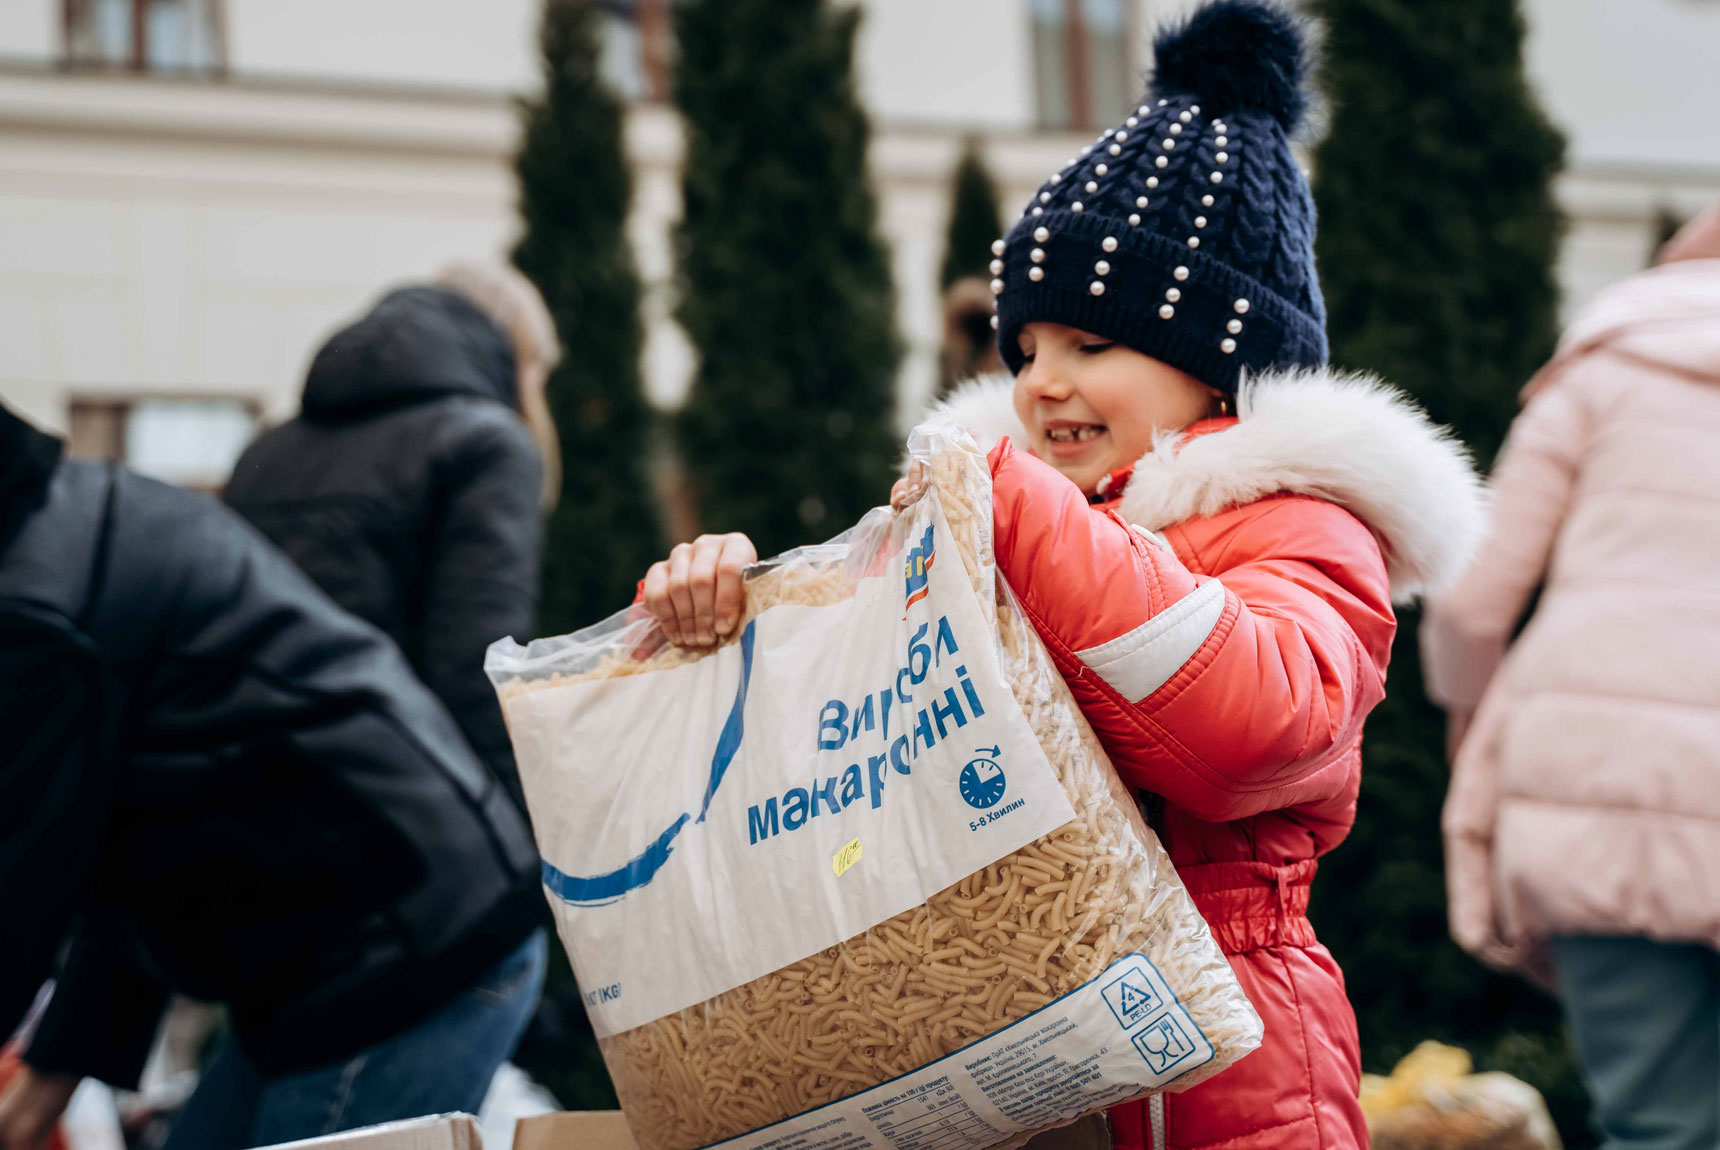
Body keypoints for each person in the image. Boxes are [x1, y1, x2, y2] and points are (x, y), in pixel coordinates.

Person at [640, 5, 1485, 1147]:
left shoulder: (1297, 527)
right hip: (1014, 1058)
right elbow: (844, 759)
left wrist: (1013, 505)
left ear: (1221, 366)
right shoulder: (1000, 515)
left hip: (1226, 1073)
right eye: (1025, 346)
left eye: (1093, 344)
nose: (1041, 382)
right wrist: (734, 623)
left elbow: (1258, 727)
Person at [0, 402, 546, 1150]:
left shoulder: (38, 610)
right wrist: (46, 1087)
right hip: (329, 953)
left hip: (404, 951)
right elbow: (114, 850)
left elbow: (21, 891)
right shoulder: (68, 530)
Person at [1429, 204, 1720, 1150]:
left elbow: (1470, 602)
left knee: (1658, 1125)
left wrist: (1469, 726)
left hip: (1596, 778)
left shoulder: (1605, 365)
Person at [225, 262, 560, 811]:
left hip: (246, 792)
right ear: (520, 358)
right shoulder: (487, 445)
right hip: (398, 809)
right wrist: (515, 836)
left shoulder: (266, 449)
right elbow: (476, 674)